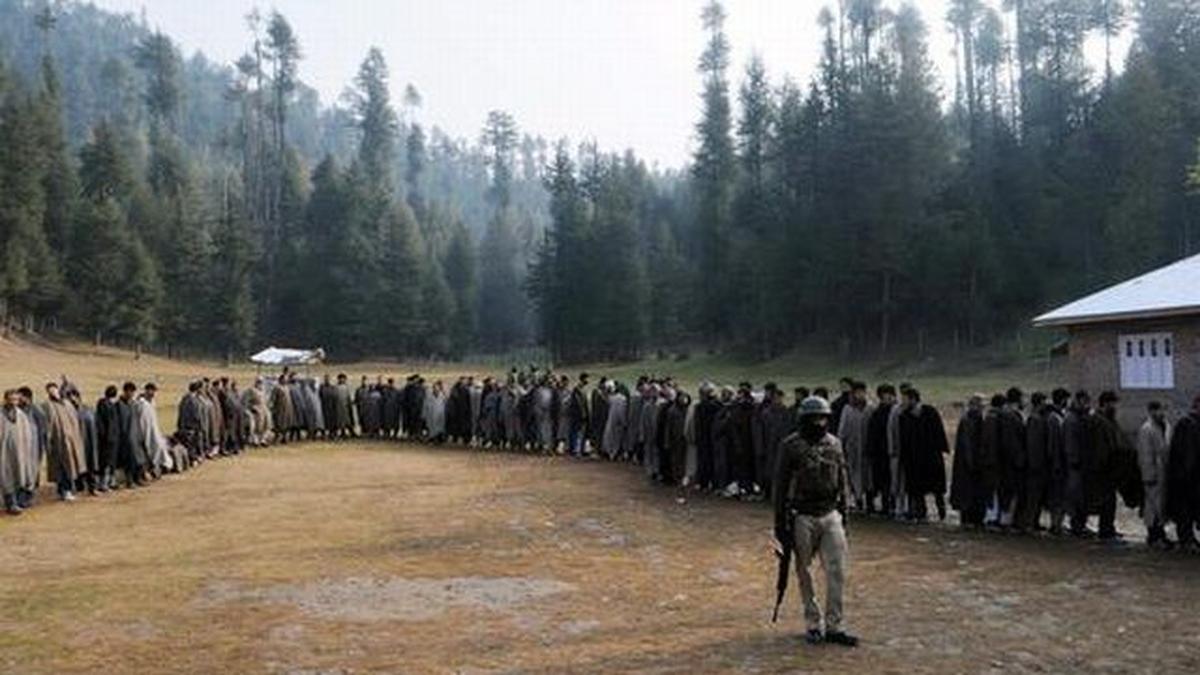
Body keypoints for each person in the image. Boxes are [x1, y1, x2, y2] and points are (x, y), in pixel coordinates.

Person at [772, 396, 857, 647]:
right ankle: (813, 622)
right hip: (801, 515)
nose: (819, 422)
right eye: (814, 418)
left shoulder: (834, 444)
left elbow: (842, 479)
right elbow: (780, 485)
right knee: (804, 571)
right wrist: (779, 524)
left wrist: (845, 515)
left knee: (836, 570)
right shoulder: (790, 446)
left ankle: (835, 625)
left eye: (823, 418)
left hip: (830, 513)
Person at [898, 387, 949, 521]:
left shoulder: (930, 412)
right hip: (914, 458)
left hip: (931, 456)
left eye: (905, 399)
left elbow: (939, 431)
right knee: (917, 488)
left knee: (937, 488)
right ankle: (922, 513)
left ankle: (941, 510)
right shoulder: (904, 416)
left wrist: (941, 448)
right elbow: (904, 439)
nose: (903, 402)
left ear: (913, 399)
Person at [42, 382, 87, 501]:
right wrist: (49, 441)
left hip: (72, 441)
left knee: (71, 466)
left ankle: (67, 489)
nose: (53, 393)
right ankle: (64, 490)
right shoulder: (48, 406)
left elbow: (75, 419)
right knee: (62, 467)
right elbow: (49, 425)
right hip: (59, 442)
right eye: (50, 391)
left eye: (54, 390)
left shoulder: (67, 403)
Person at [1136, 401, 1171, 548]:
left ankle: (1160, 534)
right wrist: (1148, 475)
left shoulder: (1165, 426)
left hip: (1163, 472)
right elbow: (1145, 454)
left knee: (1161, 506)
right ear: (1151, 411)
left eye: (1163, 410)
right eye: (1158, 410)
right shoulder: (1147, 429)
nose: (1161, 413)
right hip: (1153, 473)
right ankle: (1153, 536)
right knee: (1152, 506)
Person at [1167, 394, 1200, 549]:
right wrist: (1187, 473)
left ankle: (1188, 538)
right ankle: (1186, 539)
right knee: (1185, 510)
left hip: (1191, 475)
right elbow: (1186, 453)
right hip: (1187, 477)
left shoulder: (1192, 424)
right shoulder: (1187, 424)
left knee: (1190, 509)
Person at [951, 394, 986, 528]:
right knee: (969, 493)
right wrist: (973, 464)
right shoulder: (970, 420)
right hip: (969, 465)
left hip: (968, 464)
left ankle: (969, 519)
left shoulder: (970, 419)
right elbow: (968, 444)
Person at [836, 381, 870, 510]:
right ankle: (857, 500)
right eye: (857, 392)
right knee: (853, 475)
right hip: (852, 448)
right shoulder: (848, 409)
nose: (860, 395)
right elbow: (842, 430)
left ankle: (869, 501)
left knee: (868, 476)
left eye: (862, 392)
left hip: (866, 448)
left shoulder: (870, 408)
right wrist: (841, 446)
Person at [1, 389, 35, 514]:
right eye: (11, 399)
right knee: (6, 477)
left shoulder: (21, 415)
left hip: (20, 453)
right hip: (4, 453)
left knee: (19, 475)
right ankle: (11, 504)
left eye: (15, 400)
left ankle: (17, 502)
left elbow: (27, 434)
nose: (13, 402)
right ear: (5, 400)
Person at [863, 384, 895, 515]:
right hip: (880, 453)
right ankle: (885, 505)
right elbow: (872, 434)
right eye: (884, 396)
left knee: (893, 480)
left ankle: (892, 505)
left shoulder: (897, 412)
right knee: (881, 481)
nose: (887, 398)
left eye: (889, 395)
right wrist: (870, 450)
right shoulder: (877, 413)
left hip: (893, 452)